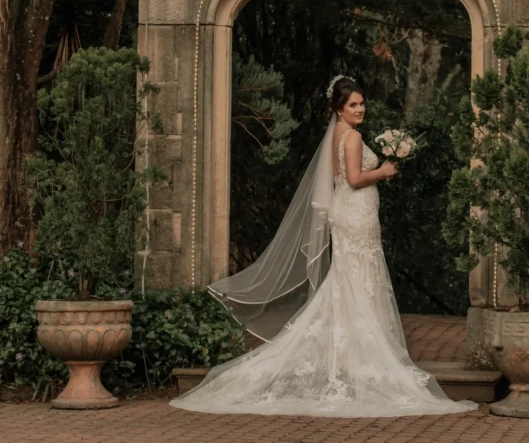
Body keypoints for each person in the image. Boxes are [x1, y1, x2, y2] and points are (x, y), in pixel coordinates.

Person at [170, 76, 478, 417]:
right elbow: (354, 179)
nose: (360, 109)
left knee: (349, 280)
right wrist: (385, 171)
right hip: (356, 213)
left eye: (361, 103)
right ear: (338, 108)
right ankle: (363, 358)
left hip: (347, 212)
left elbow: (335, 178)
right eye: (352, 105)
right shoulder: (354, 136)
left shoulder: (334, 135)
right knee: (362, 279)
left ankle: (350, 356)